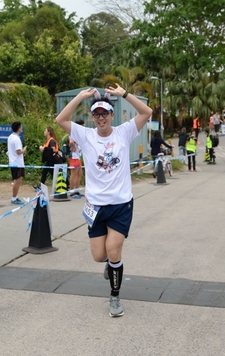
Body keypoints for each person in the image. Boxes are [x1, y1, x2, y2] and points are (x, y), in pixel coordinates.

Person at [55, 84, 152, 318]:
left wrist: (124, 94)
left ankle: (115, 296)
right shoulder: (85, 135)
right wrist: (80, 96)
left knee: (113, 249)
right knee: (99, 256)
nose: (101, 118)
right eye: (96, 114)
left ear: (111, 115)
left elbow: (147, 112)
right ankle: (110, 263)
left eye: (104, 113)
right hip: (95, 206)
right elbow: (61, 120)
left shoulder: (123, 132)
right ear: (92, 117)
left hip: (120, 205)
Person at [7, 121, 26, 205]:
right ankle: (14, 198)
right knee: (17, 180)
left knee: (16, 180)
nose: (22, 128)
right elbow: (18, 151)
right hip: (18, 163)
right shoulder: (17, 138)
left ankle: (15, 197)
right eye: (21, 127)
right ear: (18, 128)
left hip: (12, 162)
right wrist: (24, 150)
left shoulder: (10, 137)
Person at [68, 119, 85, 199]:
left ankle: (76, 190)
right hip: (74, 156)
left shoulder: (79, 133)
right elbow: (71, 141)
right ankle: (72, 191)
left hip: (77, 156)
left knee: (79, 174)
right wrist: (74, 147)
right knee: (74, 174)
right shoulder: (73, 133)